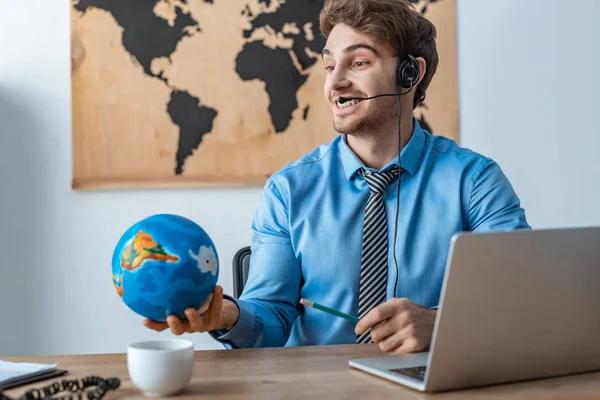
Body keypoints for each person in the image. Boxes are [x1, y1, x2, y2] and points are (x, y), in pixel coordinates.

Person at [143, 0, 530, 354]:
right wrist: (227, 315)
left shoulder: (475, 181)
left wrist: (442, 323)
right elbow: (271, 317)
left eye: (358, 63)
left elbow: (520, 298)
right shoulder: (288, 190)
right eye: (330, 66)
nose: (335, 82)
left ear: (410, 74)